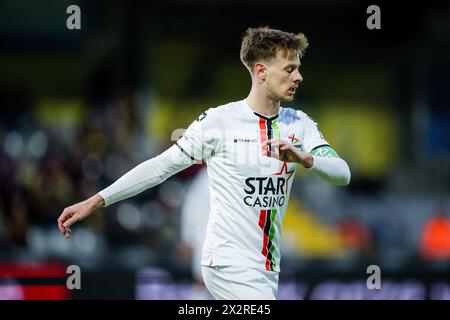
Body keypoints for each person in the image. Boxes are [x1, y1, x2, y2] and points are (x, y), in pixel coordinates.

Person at [58, 26, 351, 300]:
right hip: (227, 264)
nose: (298, 77)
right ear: (261, 71)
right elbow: (160, 167)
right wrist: (97, 200)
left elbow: (342, 173)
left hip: (266, 268)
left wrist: (306, 158)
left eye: (298, 69)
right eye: (290, 69)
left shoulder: (299, 125)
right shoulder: (219, 122)